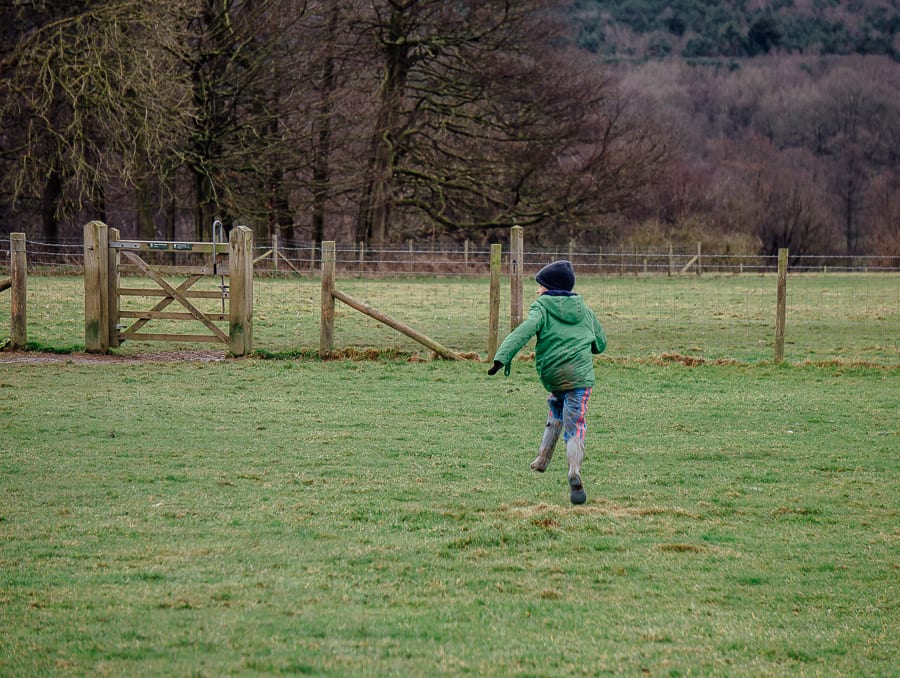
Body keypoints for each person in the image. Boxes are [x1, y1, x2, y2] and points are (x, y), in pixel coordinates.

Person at [487, 260, 607, 505]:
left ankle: (542, 459)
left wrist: (502, 357)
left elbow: (524, 330)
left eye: (540, 286)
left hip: (553, 376)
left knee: (556, 408)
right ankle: (574, 470)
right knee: (576, 424)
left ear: (550, 288)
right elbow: (601, 343)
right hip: (579, 377)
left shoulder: (541, 307)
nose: (537, 290)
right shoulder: (584, 309)